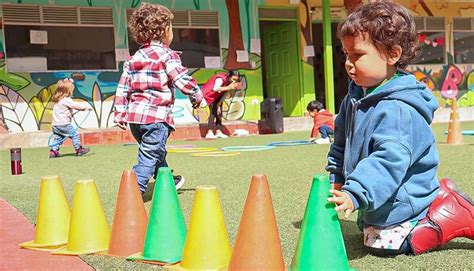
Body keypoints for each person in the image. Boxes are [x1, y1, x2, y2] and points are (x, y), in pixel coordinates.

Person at [325, 1, 473, 256]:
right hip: (381, 196)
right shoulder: (354, 98)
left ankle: (449, 213)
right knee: (369, 237)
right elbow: (340, 143)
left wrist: (356, 192)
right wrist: (337, 178)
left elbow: (388, 160)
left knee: (384, 247)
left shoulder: (398, 109)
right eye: (345, 54)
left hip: (406, 197)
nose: (348, 63)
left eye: (358, 55)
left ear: (392, 55)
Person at [114, 3, 203, 195]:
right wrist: (196, 93)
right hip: (156, 118)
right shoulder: (167, 55)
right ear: (164, 31)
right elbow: (180, 79)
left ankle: (167, 180)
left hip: (135, 119)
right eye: (171, 27)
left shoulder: (133, 58)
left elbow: (123, 87)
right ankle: (133, 192)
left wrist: (120, 114)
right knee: (149, 154)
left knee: (155, 151)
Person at [49, 78, 92, 158]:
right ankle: (79, 149)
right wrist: (86, 107)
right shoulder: (66, 100)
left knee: (59, 137)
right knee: (75, 135)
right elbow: (76, 105)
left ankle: (53, 151)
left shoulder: (58, 100)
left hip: (55, 125)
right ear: (68, 91)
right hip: (64, 124)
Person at [201, 70, 241, 139]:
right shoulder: (220, 78)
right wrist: (228, 87)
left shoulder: (230, 83)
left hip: (217, 96)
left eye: (236, 80)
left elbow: (225, 93)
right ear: (229, 76)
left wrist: (219, 104)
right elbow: (215, 88)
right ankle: (209, 132)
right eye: (233, 79)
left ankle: (218, 131)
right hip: (209, 94)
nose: (234, 81)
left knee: (219, 113)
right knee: (213, 112)